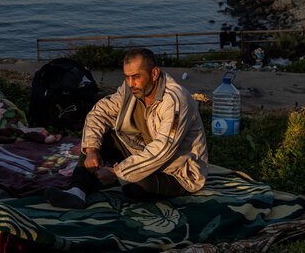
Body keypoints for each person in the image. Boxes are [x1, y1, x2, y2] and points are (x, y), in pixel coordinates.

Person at [45, 47, 208, 209]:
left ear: (154, 73)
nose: (131, 83)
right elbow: (100, 112)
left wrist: (118, 173)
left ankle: (110, 179)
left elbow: (163, 150)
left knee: (133, 186)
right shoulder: (131, 89)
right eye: (127, 77)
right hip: (141, 154)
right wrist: (92, 150)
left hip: (177, 172)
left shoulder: (175, 101)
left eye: (136, 77)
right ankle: (77, 191)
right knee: (99, 137)